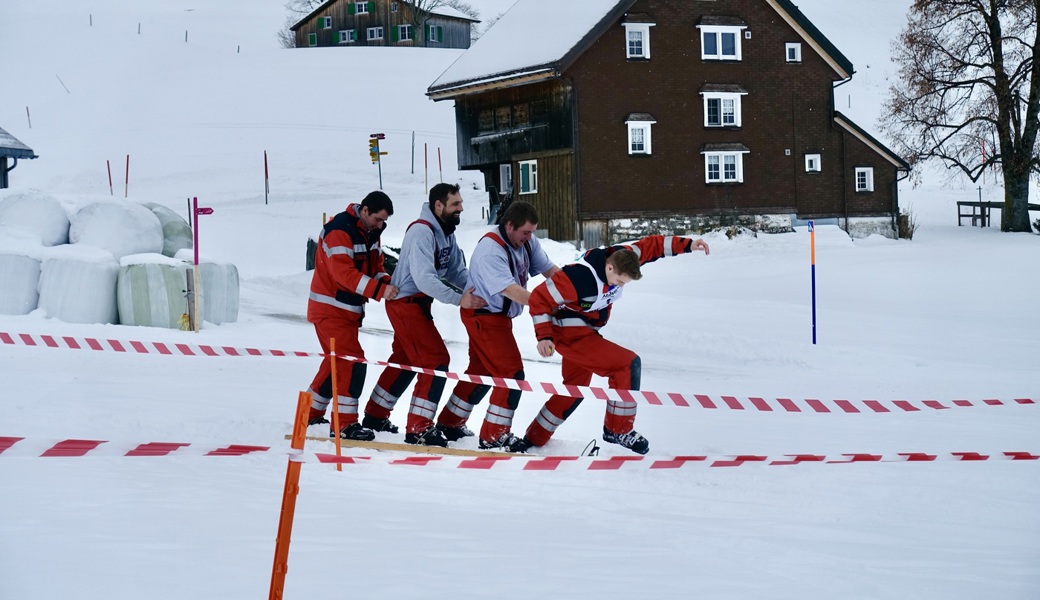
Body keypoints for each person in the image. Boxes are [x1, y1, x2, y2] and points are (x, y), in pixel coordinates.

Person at [520, 235, 710, 454]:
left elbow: (653, 246)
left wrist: (688, 245)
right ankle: (617, 429)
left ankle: (534, 438)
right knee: (627, 364)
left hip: (585, 331)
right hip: (568, 333)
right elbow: (538, 299)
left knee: (575, 389)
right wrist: (544, 337)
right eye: (620, 281)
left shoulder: (626, 255)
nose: (620, 286)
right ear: (609, 268)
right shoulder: (578, 278)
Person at [361, 183, 487, 447]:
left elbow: (456, 272)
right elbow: (424, 278)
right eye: (456, 204)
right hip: (405, 303)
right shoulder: (422, 231)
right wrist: (460, 300)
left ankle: (374, 415)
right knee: (435, 359)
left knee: (405, 359)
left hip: (418, 304)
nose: (461, 208)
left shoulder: (446, 232)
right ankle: (419, 427)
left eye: (461, 203)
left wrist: (482, 291)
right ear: (438, 205)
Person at [434, 201, 560, 451]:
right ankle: (494, 435)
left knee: (481, 371)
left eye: (532, 232)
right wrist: (544, 304)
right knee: (511, 374)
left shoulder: (525, 241)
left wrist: (571, 289)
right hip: (484, 316)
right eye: (525, 232)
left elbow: (549, 269)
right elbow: (512, 290)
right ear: (509, 226)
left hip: (497, 317)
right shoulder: (491, 250)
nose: (529, 237)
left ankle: (450, 423)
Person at [306, 191, 398, 440]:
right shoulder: (340, 231)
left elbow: (375, 268)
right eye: (378, 219)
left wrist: (390, 284)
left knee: (335, 363)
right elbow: (343, 274)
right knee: (351, 362)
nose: (381, 225)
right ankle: (344, 425)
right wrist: (380, 291)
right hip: (330, 311)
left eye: (384, 222)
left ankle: (309, 414)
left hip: (346, 313)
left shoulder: (371, 233)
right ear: (365, 210)